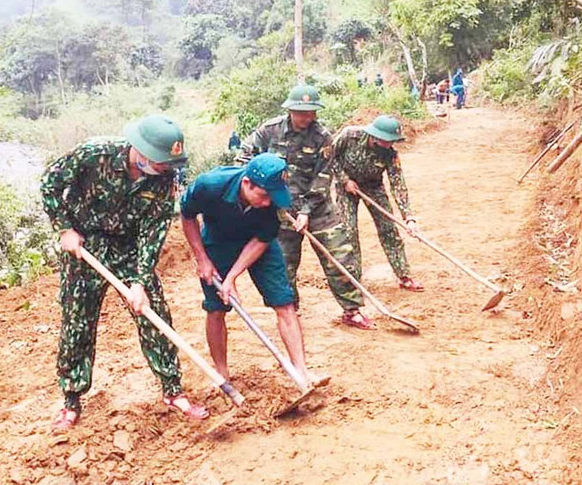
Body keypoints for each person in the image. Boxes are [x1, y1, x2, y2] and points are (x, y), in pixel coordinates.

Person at [41, 114, 209, 432]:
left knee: (153, 314)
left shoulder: (164, 181)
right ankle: (71, 399)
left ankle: (172, 390)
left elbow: (153, 232)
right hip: (85, 244)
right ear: (141, 152)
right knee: (77, 322)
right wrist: (64, 229)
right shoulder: (94, 153)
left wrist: (140, 281)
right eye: (161, 163)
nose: (166, 170)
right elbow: (49, 185)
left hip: (129, 248)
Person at [237, 85, 375, 330]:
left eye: (311, 112)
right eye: (301, 112)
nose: (307, 117)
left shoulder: (323, 137)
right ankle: (291, 311)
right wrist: (260, 190)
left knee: (340, 256)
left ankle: (351, 309)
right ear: (290, 110)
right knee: (284, 264)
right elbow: (243, 158)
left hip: (318, 208)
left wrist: (306, 211)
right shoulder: (269, 131)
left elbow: (324, 176)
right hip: (279, 211)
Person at [180, 153, 325, 385]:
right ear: (247, 183)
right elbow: (187, 217)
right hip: (218, 242)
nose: (268, 202)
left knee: (284, 303)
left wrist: (232, 278)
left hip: (259, 243)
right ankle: (222, 373)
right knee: (216, 308)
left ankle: (301, 371)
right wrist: (202, 259)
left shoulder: (273, 200)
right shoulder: (209, 185)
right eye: (264, 195)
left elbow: (262, 240)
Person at [331, 115, 423, 292]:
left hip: (373, 187)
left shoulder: (391, 154)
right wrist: (344, 180)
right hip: (347, 187)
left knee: (389, 229)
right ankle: (353, 280)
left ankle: (404, 276)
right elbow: (330, 157)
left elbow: (398, 184)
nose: (389, 145)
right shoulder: (350, 136)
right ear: (374, 136)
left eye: (391, 141)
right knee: (349, 231)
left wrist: (409, 217)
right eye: (385, 140)